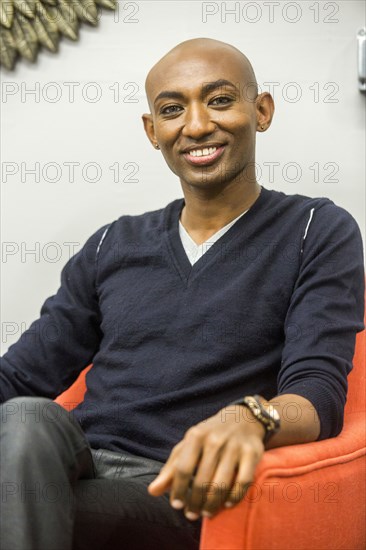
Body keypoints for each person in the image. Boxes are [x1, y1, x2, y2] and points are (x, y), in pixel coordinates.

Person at [0, 37, 364, 550]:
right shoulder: (112, 242)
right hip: (72, 458)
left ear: (261, 111)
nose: (195, 126)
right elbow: (18, 377)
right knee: (26, 415)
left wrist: (250, 416)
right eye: (173, 110)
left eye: (219, 100)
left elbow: (317, 395)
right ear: (153, 131)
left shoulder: (314, 229)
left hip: (170, 487)